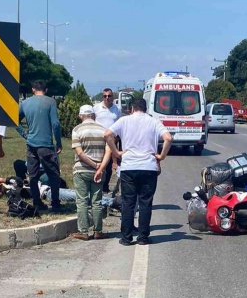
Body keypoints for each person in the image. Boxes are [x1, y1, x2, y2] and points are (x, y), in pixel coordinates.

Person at [105, 98, 172, 246]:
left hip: (129, 167)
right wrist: (161, 156)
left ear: (132, 108)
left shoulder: (124, 121)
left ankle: (126, 237)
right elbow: (168, 138)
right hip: (148, 167)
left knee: (128, 203)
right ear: (145, 109)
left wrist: (116, 152)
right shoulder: (154, 121)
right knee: (145, 203)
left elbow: (107, 134)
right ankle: (143, 237)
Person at [18, 80, 63, 213]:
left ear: (33, 89)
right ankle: (55, 203)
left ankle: (37, 202)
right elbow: (55, 124)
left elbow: (15, 121)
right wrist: (58, 142)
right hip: (46, 145)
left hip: (31, 144)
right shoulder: (50, 102)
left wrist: (25, 135)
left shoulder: (25, 103)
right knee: (54, 175)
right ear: (46, 90)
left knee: (33, 175)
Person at [71, 105, 112, 241]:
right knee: (97, 201)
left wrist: (93, 165)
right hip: (99, 171)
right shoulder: (103, 130)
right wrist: (100, 168)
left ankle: (83, 231)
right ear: (94, 115)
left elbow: (79, 153)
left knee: (82, 201)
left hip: (81, 170)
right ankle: (98, 231)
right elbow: (108, 151)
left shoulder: (77, 130)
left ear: (80, 116)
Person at [94, 88, 121, 193]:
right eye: (105, 96)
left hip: (111, 140)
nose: (107, 98)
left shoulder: (117, 109)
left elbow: (119, 124)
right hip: (98, 139)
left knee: (109, 165)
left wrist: (117, 138)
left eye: (109, 96)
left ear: (112, 97)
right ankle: (97, 184)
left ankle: (105, 187)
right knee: (99, 161)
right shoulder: (96, 108)